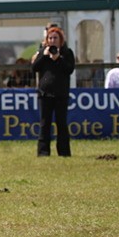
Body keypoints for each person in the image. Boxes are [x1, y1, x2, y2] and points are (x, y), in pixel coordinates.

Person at [31, 26, 75, 157]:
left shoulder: (67, 53)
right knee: (45, 123)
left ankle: (64, 152)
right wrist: (44, 56)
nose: (52, 40)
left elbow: (69, 69)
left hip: (61, 93)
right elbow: (34, 68)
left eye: (55, 38)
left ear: (60, 40)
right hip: (45, 94)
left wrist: (58, 58)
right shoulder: (42, 52)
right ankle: (43, 152)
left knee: (61, 123)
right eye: (50, 38)